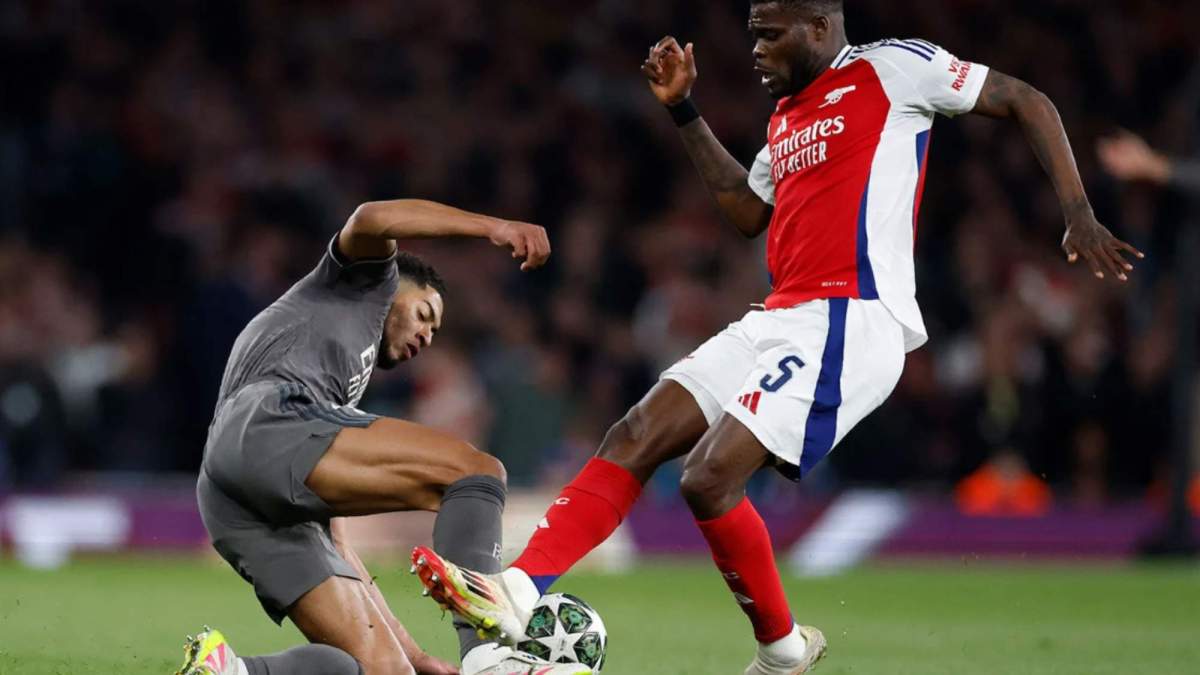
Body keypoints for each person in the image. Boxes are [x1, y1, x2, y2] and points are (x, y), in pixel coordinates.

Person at [411, 1, 1144, 673]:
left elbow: (1025, 98)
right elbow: (744, 210)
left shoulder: (893, 67)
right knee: (635, 432)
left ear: (819, 27)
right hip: (782, 315)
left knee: (706, 476)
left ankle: (779, 649)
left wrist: (1077, 212)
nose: (754, 49)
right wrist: (684, 111)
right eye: (753, 31)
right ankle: (517, 586)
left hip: (854, 318)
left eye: (769, 32)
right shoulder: (787, 117)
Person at [175, 199, 591, 675]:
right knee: (478, 473)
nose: (428, 336)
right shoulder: (365, 281)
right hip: (268, 423)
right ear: (399, 288)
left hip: (232, 492)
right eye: (425, 314)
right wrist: (493, 227)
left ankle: (231, 670)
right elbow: (371, 217)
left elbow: (340, 545)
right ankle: (489, 655)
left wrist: (414, 656)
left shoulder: (336, 376)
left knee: (384, 671)